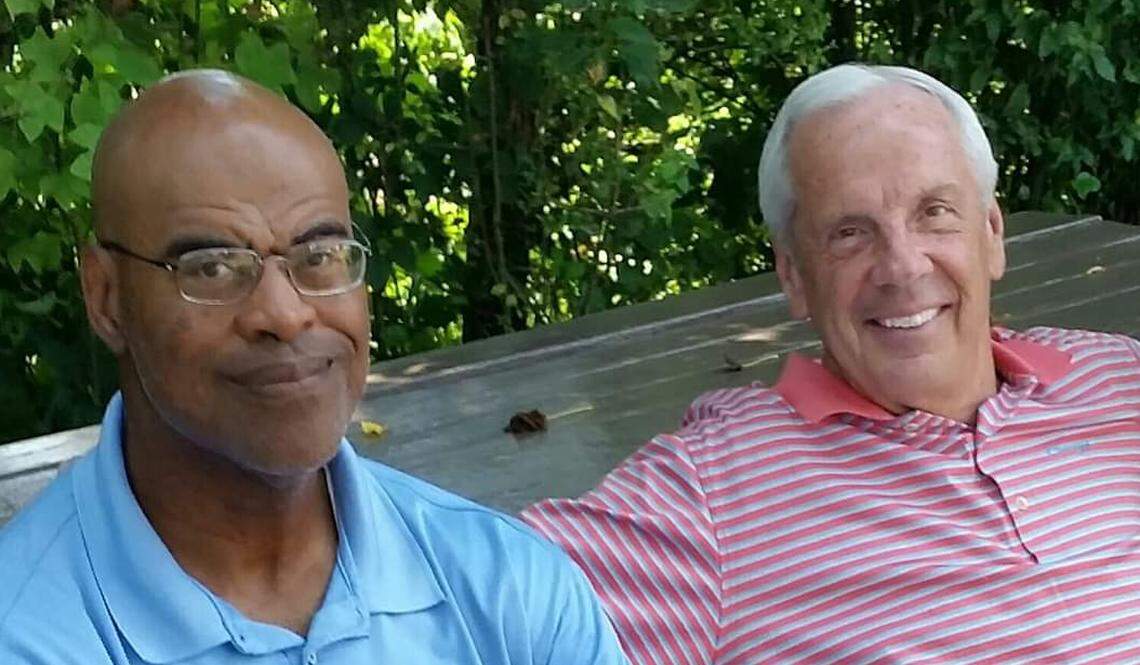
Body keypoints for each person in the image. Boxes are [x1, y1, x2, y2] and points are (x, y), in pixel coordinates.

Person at [0, 70, 627, 665]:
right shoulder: (30, 633)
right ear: (106, 298)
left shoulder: (507, 593)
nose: (285, 313)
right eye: (211, 267)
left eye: (319, 254)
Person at [522, 63, 1140, 664]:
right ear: (793, 275)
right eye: (850, 233)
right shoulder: (713, 492)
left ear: (992, 232)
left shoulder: (1117, 379)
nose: (903, 267)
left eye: (935, 213)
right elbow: (472, 597)